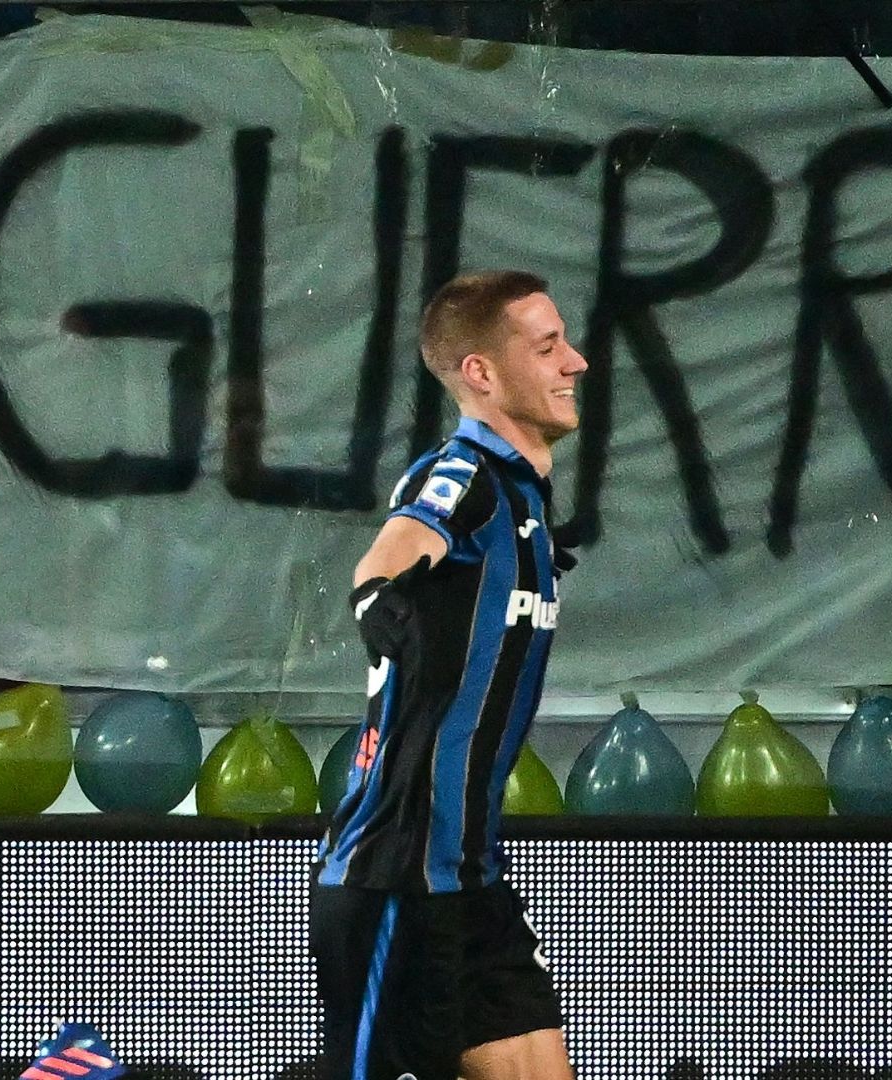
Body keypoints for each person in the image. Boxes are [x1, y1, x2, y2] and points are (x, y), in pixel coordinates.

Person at [311, 270, 587, 1080]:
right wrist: (382, 606)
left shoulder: (524, 503)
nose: (575, 362)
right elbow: (384, 565)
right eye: (548, 346)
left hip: (470, 881)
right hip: (395, 878)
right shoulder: (465, 475)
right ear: (481, 373)